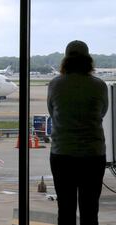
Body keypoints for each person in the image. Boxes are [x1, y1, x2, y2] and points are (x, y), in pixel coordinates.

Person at [47, 40, 108, 225]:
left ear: (65, 60)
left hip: (62, 154)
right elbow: (102, 113)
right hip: (93, 154)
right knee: (90, 210)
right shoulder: (99, 85)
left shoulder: (55, 85)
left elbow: (52, 112)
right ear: (88, 60)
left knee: (65, 209)